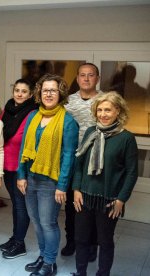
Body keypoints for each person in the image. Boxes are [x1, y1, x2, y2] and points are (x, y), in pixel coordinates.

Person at [17, 74, 79, 276]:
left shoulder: (68, 122)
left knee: (48, 222)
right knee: (35, 221)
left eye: (53, 90)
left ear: (60, 93)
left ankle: (50, 263)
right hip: (31, 178)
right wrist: (21, 175)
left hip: (51, 182)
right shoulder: (33, 116)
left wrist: (62, 185)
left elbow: (69, 156)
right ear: (39, 93)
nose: (49, 94)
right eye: (45, 90)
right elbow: (23, 148)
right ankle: (43, 256)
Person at [71, 92, 138, 276]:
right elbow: (79, 164)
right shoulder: (91, 132)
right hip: (84, 196)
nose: (103, 114)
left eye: (108, 110)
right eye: (99, 110)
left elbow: (131, 173)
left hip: (108, 200)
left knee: (105, 241)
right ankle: (80, 272)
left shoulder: (126, 138)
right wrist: (76, 189)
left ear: (118, 111)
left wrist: (121, 199)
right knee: (81, 239)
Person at [62, 63, 102, 258]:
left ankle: (92, 244)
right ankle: (72, 241)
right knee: (71, 205)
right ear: (77, 79)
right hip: (72, 160)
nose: (86, 79)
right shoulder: (67, 101)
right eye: (83, 75)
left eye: (91, 75)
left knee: (92, 205)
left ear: (97, 78)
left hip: (95, 162)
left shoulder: (105, 100)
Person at [0, 79, 37, 259]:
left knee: (21, 206)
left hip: (21, 168)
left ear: (30, 95)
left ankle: (20, 243)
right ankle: (15, 238)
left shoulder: (32, 113)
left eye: (24, 91)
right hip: (6, 166)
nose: (19, 94)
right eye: (17, 90)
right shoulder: (6, 110)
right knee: (15, 204)